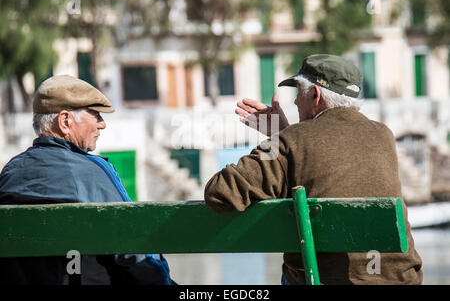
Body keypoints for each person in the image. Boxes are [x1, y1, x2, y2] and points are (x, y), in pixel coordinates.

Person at [204, 54, 423, 285]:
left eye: (299, 92)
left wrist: (281, 137)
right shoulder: (383, 135)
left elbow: (220, 192)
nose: (296, 102)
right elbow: (322, 154)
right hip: (402, 280)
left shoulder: (291, 140)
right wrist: (286, 135)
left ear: (316, 95)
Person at [0, 75, 175, 285]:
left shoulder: (10, 172)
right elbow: (134, 247)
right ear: (65, 121)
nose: (102, 125)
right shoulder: (93, 173)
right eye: (96, 115)